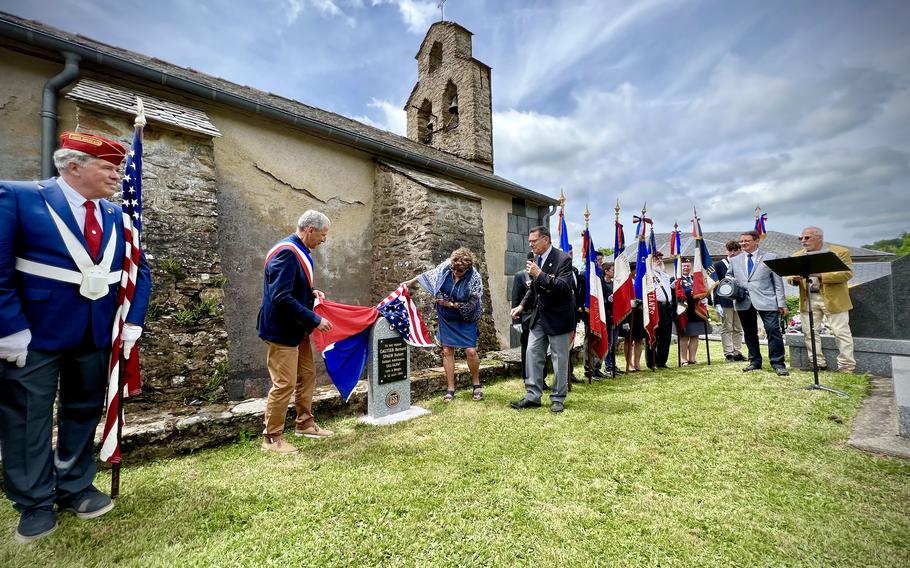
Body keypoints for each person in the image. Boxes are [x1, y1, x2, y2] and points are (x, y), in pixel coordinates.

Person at [0, 131, 152, 543]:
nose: (117, 176)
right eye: (108, 167)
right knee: (28, 418)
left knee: (83, 411)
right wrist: (9, 327)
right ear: (74, 166)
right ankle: (32, 502)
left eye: (120, 168)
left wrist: (133, 322)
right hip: (35, 335)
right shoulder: (19, 197)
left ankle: (76, 487)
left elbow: (140, 271)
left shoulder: (118, 216)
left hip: (96, 333)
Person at [258, 210, 335, 456]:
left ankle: (305, 424)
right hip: (281, 330)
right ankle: (271, 439)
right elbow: (280, 297)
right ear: (310, 230)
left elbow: (292, 287)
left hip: (296, 328)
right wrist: (315, 319)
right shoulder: (286, 253)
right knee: (284, 384)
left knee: (307, 376)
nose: (324, 240)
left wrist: (311, 293)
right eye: (323, 235)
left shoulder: (296, 251)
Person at [510, 225, 576, 413]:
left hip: (559, 317)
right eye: (529, 241)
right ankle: (533, 396)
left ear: (546, 240)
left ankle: (557, 398)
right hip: (539, 316)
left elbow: (563, 288)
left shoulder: (563, 259)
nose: (530, 245)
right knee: (532, 354)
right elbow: (533, 288)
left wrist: (539, 274)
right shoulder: (537, 259)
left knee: (559, 359)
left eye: (533, 241)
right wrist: (522, 306)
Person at [404, 247, 484, 401]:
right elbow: (430, 275)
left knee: (471, 351)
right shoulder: (448, 266)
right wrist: (411, 282)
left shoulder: (475, 277)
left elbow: (473, 303)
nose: (455, 272)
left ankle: (476, 384)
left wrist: (453, 305)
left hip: (466, 316)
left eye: (459, 271)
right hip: (446, 316)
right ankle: (450, 389)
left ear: (467, 269)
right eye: (453, 269)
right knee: (447, 350)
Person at [787, 226, 855, 372]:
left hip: (834, 299)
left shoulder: (839, 252)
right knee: (809, 332)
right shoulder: (797, 255)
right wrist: (794, 279)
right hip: (809, 298)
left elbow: (846, 274)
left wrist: (819, 274)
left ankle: (846, 366)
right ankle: (817, 363)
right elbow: (789, 277)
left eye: (807, 237)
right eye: (801, 238)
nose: (803, 241)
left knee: (840, 332)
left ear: (819, 237)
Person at [728, 230, 790, 376]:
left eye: (746, 241)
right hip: (743, 301)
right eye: (741, 241)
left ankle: (778, 364)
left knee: (773, 330)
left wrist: (781, 303)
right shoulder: (735, 260)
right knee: (749, 333)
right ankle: (755, 361)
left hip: (767, 301)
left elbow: (778, 283)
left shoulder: (770, 257)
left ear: (757, 241)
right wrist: (735, 285)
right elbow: (729, 277)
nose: (743, 243)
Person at [713, 240, 745, 362]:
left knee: (738, 328)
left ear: (739, 251)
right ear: (726, 251)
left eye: (735, 250)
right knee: (727, 327)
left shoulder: (742, 264)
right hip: (725, 302)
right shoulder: (719, 265)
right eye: (730, 250)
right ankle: (728, 353)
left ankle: (737, 352)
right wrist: (717, 303)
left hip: (740, 301)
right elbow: (716, 286)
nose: (732, 253)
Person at [674, 259, 707, 365]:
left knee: (695, 335)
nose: (686, 268)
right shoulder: (676, 280)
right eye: (684, 266)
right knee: (684, 336)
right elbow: (677, 293)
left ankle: (692, 358)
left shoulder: (695, 279)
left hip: (696, 311)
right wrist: (689, 291)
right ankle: (683, 359)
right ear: (680, 267)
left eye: (688, 266)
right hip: (684, 311)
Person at [645, 251, 673, 369]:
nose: (660, 260)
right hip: (655, 306)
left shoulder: (665, 275)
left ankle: (662, 361)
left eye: (661, 258)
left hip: (666, 306)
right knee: (653, 334)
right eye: (657, 259)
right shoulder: (648, 275)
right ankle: (651, 361)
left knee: (666, 336)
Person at [511, 252, 535, 384]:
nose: (532, 262)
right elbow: (516, 298)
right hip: (526, 318)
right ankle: (527, 377)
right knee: (527, 349)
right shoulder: (521, 275)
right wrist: (516, 320)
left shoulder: (541, 274)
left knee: (539, 351)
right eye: (530, 260)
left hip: (541, 318)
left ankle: (540, 379)